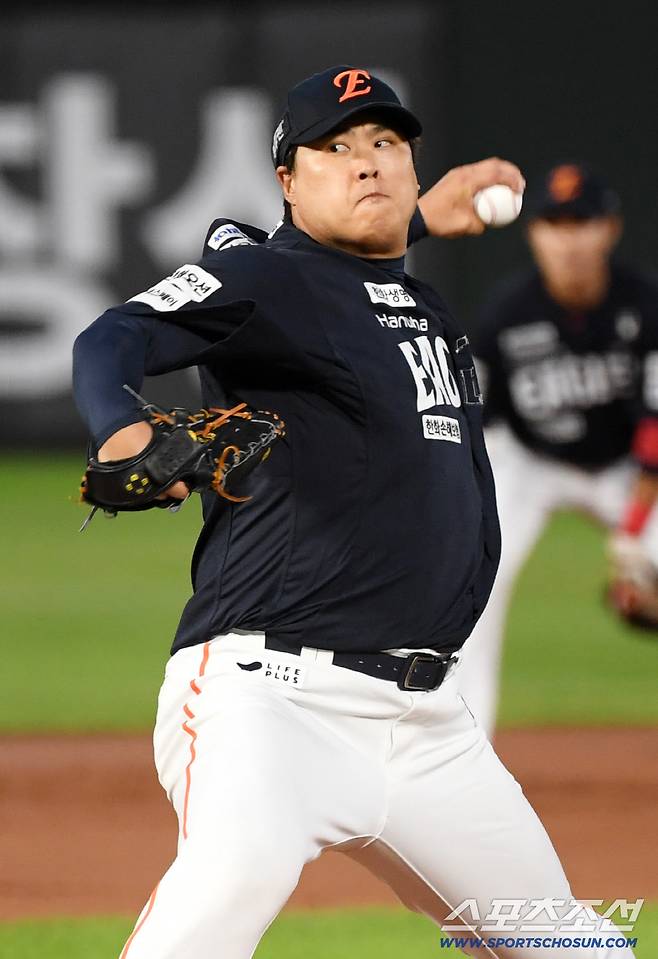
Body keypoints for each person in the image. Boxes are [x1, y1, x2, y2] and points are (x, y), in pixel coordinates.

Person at [73, 70, 634, 959]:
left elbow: (356, 271)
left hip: (427, 727)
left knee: (572, 947)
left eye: (386, 145)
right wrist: (120, 427)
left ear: (415, 171)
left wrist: (412, 224)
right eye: (335, 148)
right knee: (213, 910)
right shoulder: (262, 277)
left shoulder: (425, 305)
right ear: (288, 182)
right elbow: (111, 336)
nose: (367, 164)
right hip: (272, 701)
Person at [458, 162, 658, 738]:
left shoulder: (646, 306)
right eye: (554, 223)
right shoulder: (505, 315)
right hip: (529, 463)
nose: (568, 240)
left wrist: (637, 531)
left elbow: (655, 430)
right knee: (476, 577)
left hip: (625, 467)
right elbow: (474, 424)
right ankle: (464, 747)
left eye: (582, 222)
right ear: (534, 234)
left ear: (610, 230)